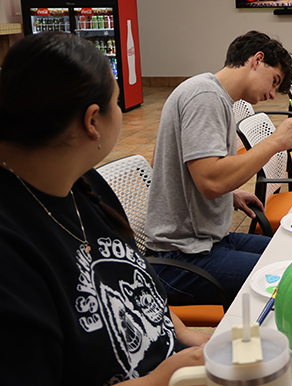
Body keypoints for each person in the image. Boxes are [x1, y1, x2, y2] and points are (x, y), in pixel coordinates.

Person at [0, 32, 208, 384]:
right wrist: (164, 377)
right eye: (117, 102)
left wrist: (185, 334)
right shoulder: (12, 249)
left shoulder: (84, 185)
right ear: (92, 121)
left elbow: (134, 281)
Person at [146, 31, 292, 305]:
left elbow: (173, 166)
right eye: (274, 81)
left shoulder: (212, 94)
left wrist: (229, 195)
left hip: (208, 241)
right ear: (257, 60)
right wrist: (274, 143)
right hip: (181, 257)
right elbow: (210, 182)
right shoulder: (205, 97)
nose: (272, 94)